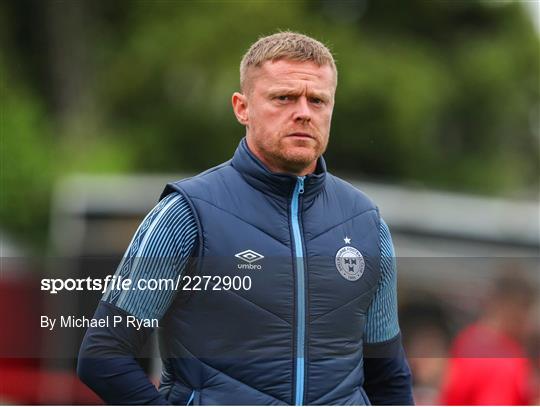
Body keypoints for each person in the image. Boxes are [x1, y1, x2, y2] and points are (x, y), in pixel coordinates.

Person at [77, 31, 413, 405]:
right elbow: (104, 354)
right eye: (283, 97)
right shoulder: (187, 213)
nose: (303, 111)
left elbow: (389, 376)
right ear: (242, 107)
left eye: (317, 100)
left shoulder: (366, 224)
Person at [439, 271, 537, 405]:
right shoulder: (506, 359)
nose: (528, 322)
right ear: (512, 307)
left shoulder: (466, 339)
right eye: (526, 310)